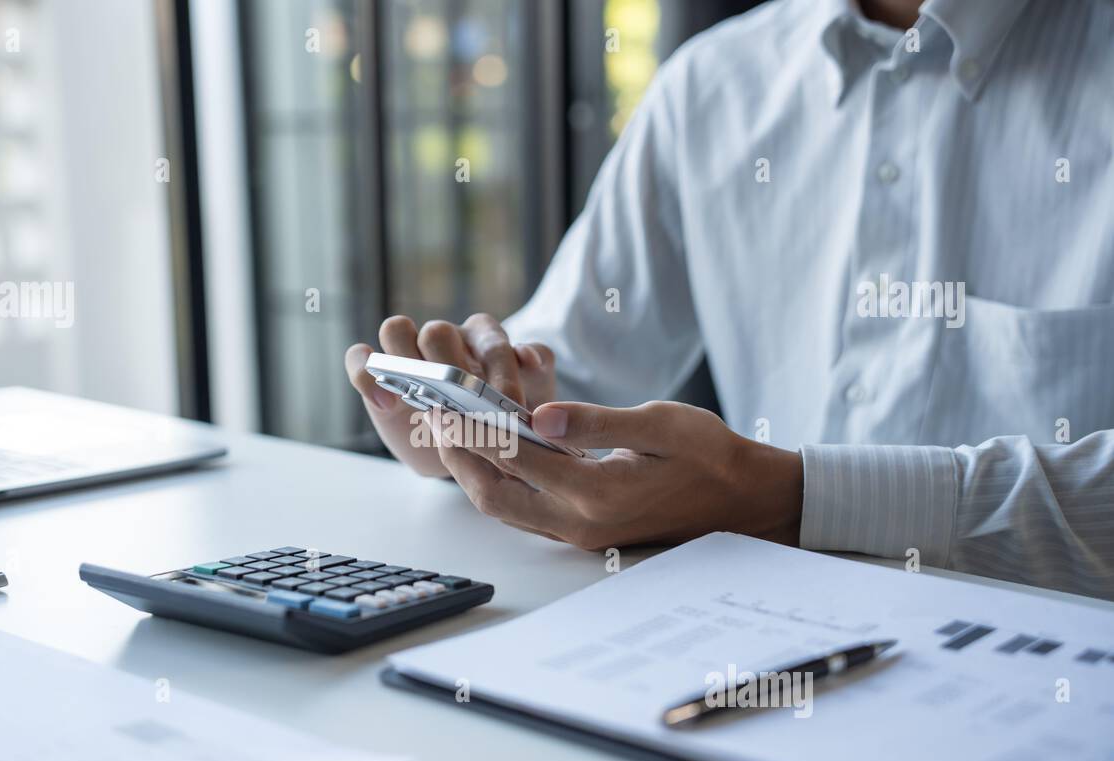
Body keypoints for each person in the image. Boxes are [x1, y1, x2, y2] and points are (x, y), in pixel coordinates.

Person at [344, 0, 1114, 599]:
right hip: (750, 644)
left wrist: (794, 500)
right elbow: (575, 357)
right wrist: (492, 409)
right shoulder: (710, 86)